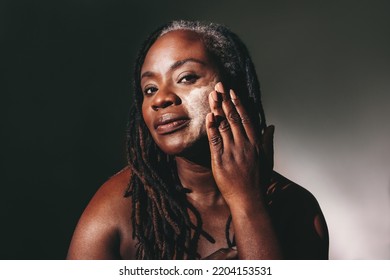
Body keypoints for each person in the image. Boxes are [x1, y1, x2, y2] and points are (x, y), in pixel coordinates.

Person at [67, 20, 329, 260]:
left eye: (186, 78)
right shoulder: (117, 209)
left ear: (233, 87)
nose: (160, 99)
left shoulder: (296, 209)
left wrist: (247, 202)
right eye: (150, 89)